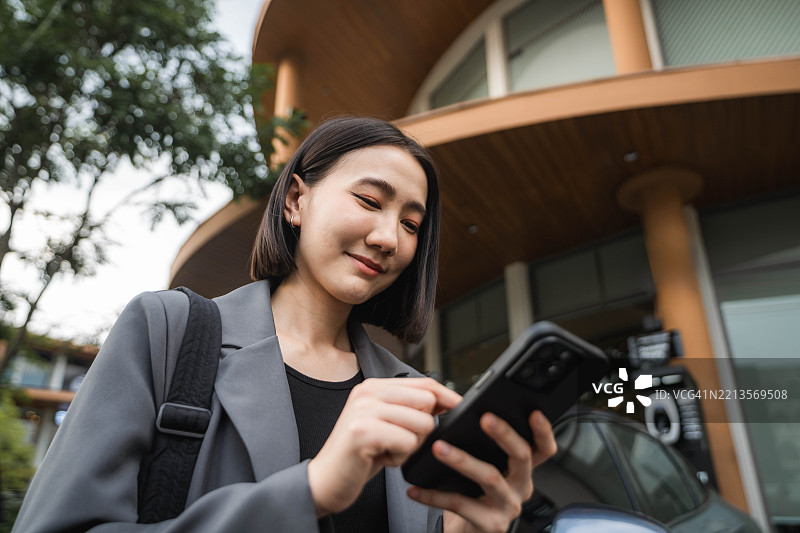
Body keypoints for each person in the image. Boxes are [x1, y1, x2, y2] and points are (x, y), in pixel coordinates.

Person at [13, 116, 557, 533]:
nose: (389, 238)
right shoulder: (167, 331)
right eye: (369, 200)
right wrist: (309, 491)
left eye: (411, 224)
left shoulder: (414, 398)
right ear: (296, 200)